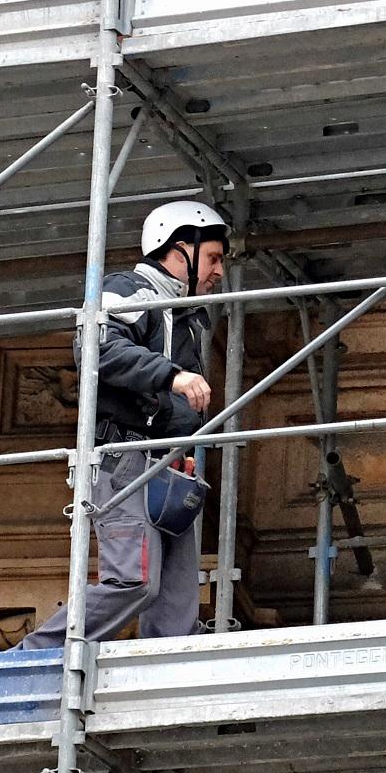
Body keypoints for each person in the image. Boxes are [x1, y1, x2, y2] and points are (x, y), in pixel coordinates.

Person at [20, 200, 228, 648]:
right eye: (213, 258)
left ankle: (168, 684)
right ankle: (31, 656)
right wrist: (174, 376)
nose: (219, 272)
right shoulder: (130, 289)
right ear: (179, 252)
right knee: (134, 581)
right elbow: (99, 348)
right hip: (124, 463)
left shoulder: (186, 316)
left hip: (166, 467)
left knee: (177, 604)